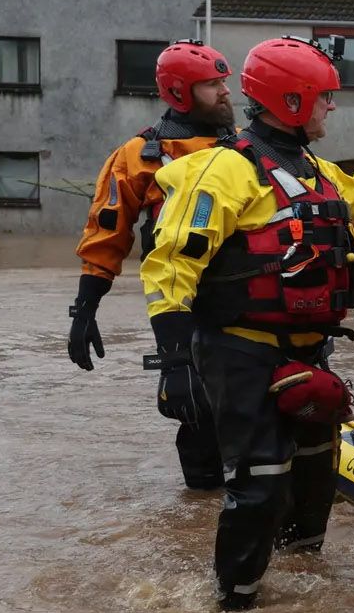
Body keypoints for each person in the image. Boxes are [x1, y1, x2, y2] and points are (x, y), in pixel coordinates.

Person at [141, 35, 354, 611]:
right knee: (261, 481)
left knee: (317, 477)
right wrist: (174, 364)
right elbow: (171, 263)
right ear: (292, 100)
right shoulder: (225, 170)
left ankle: (302, 591)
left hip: (308, 353)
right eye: (324, 97)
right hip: (240, 351)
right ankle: (234, 604)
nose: (332, 107)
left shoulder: (320, 172)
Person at [68, 39, 233, 490]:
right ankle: (200, 513)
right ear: (180, 92)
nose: (225, 92)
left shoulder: (251, 148)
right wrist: (85, 310)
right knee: (198, 412)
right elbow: (106, 233)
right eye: (211, 85)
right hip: (186, 304)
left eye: (224, 81)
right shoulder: (139, 156)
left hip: (252, 297)